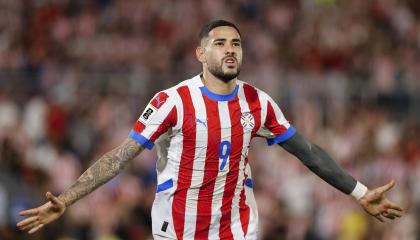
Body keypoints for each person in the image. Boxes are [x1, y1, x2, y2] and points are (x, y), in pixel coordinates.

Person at [17, 20, 403, 239]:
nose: (230, 49)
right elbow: (120, 157)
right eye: (220, 43)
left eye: (236, 43)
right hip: (177, 228)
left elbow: (308, 152)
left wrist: (360, 192)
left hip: (237, 227)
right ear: (201, 54)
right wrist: (67, 199)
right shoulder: (172, 101)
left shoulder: (259, 102)